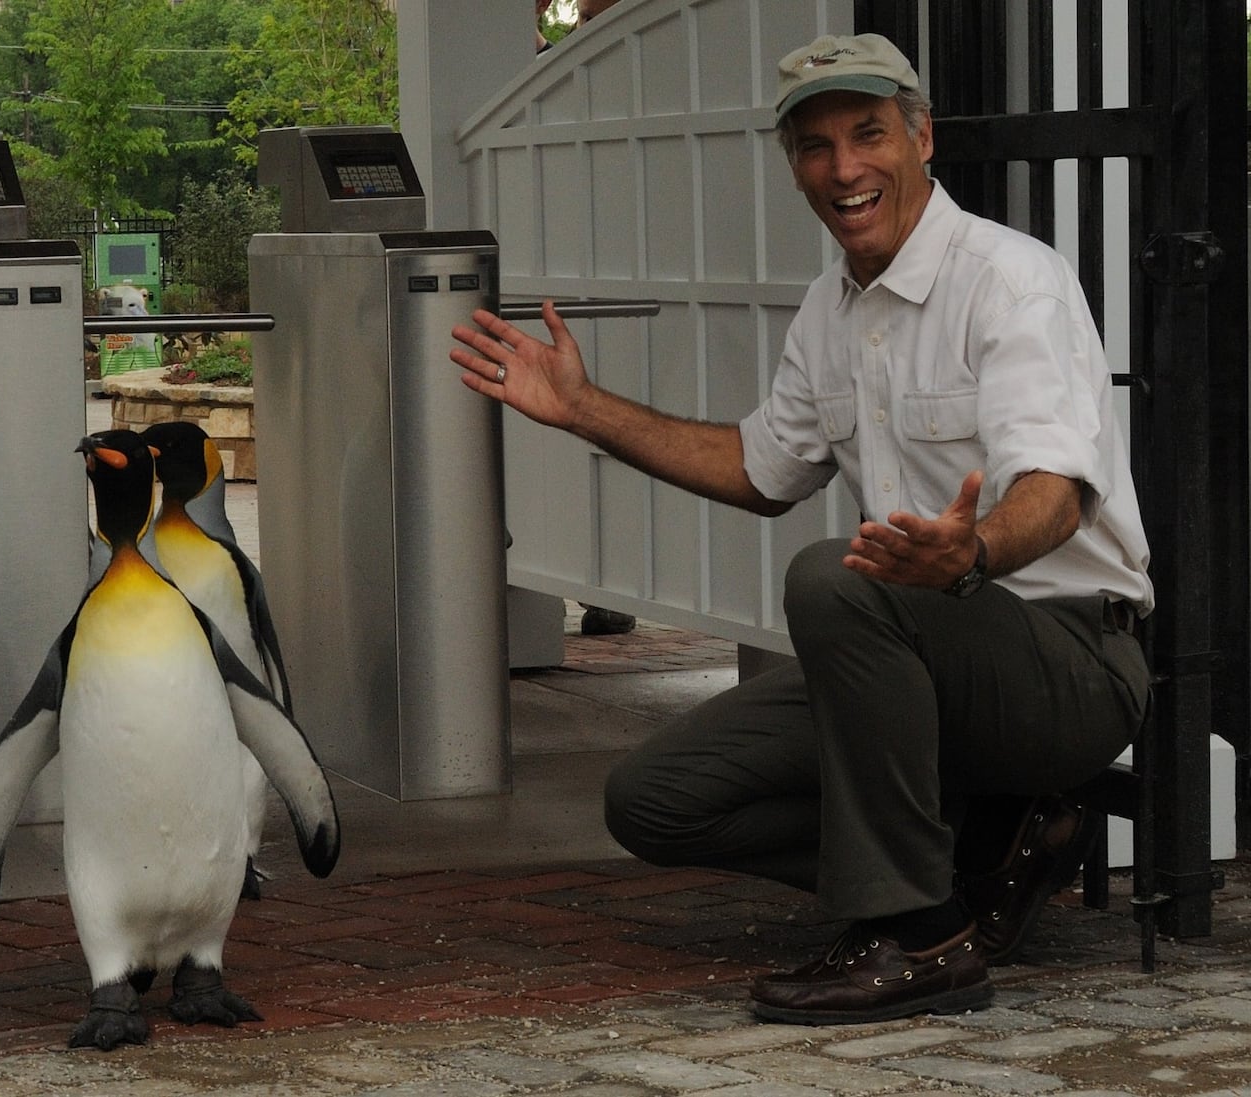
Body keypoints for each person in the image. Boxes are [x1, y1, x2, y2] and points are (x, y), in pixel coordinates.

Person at [450, 32, 1151, 1026]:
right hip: (925, 661)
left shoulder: (1009, 282)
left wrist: (975, 549)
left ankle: (917, 937)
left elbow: (1057, 486)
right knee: (656, 797)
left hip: (1067, 658)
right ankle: (970, 866)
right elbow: (760, 467)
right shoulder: (831, 309)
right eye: (814, 147)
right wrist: (584, 408)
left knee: (834, 579)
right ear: (794, 166)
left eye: (868, 135)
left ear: (921, 140)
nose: (844, 168)